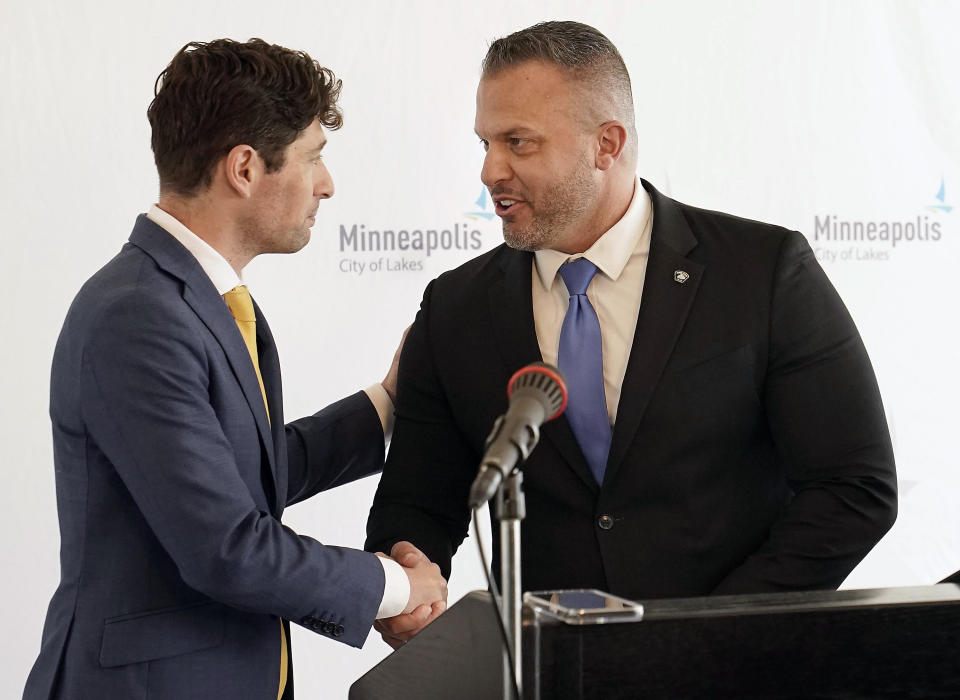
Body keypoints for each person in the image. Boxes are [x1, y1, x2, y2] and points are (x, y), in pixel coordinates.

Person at [365, 20, 897, 647]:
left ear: (606, 143)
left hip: (737, 670)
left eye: (518, 142)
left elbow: (854, 487)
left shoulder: (763, 272)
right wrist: (404, 583)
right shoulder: (455, 306)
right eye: (484, 142)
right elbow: (417, 503)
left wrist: (713, 633)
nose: (489, 170)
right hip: (550, 672)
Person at [23, 38, 446, 700]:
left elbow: (241, 474)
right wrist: (394, 586)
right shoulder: (137, 314)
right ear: (245, 168)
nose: (327, 184)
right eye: (314, 158)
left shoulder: (198, 300)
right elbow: (227, 547)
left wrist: (389, 403)